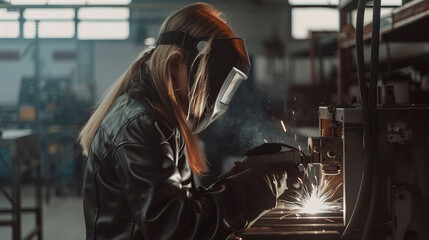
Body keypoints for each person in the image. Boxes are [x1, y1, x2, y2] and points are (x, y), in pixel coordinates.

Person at [80, 2, 299, 240]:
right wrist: (264, 184)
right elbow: (177, 229)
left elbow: (182, 206)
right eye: (207, 82)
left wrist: (244, 175)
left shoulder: (157, 116)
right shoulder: (141, 125)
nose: (210, 98)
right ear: (176, 64)